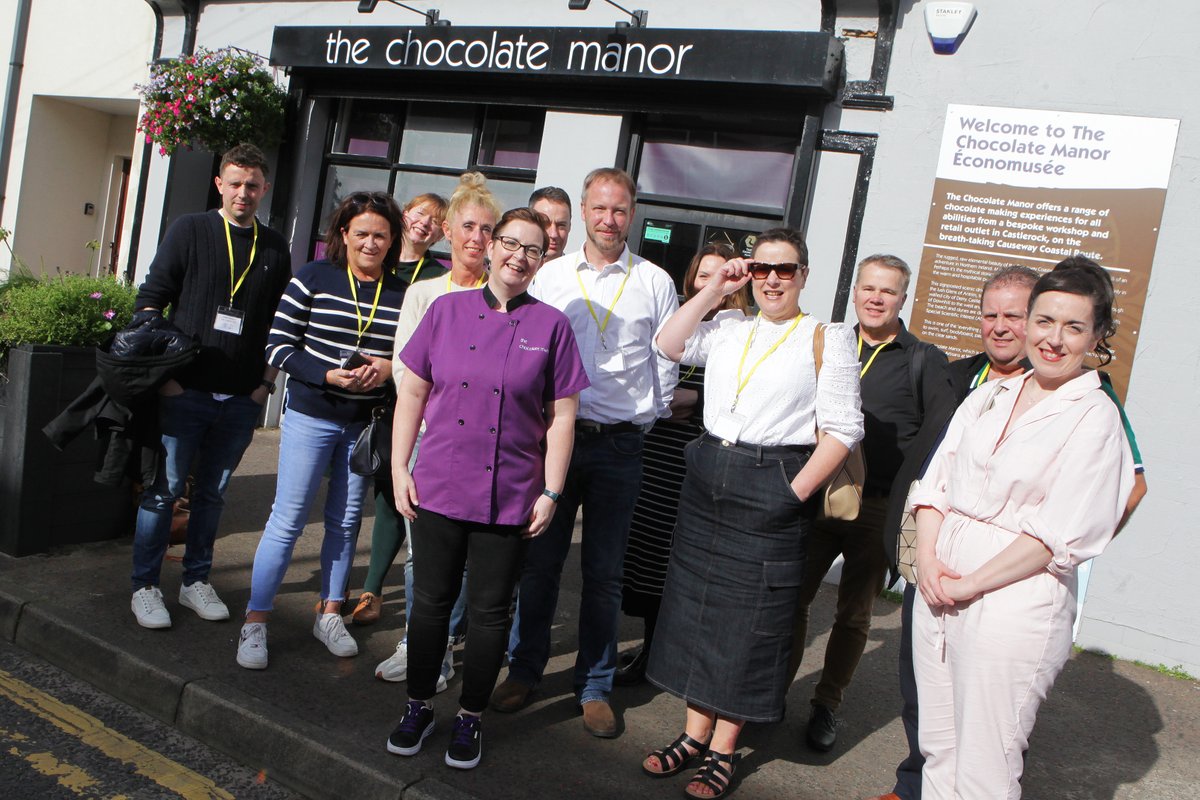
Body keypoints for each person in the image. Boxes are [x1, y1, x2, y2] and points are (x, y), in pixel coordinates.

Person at [867, 263, 1148, 800]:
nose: (1053, 339)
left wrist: (969, 584)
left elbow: (1055, 535)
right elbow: (934, 486)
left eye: (1073, 327)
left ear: (1096, 336)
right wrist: (927, 563)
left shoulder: (1095, 415)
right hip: (937, 587)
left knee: (985, 767)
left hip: (1011, 601)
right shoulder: (990, 395)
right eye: (1045, 321)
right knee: (939, 748)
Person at [644, 228, 863, 799]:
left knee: (748, 626)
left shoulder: (827, 337)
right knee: (696, 613)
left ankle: (723, 748)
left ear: (804, 275)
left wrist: (792, 494)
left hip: (773, 481)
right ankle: (693, 735)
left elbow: (842, 430)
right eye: (761, 268)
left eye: (784, 269)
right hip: (708, 476)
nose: (770, 279)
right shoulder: (728, 326)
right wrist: (716, 285)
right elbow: (668, 344)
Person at [384, 207, 590, 770]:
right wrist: (400, 467)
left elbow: (562, 418)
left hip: (511, 492)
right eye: (510, 243)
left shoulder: (552, 326)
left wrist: (551, 492)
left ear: (543, 260)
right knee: (428, 607)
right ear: (490, 245)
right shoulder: (446, 310)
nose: (519, 257)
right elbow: (412, 395)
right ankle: (419, 705)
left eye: (533, 249)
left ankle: (471, 716)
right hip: (439, 483)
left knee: (490, 613)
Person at [491, 167, 680, 739]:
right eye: (599, 208)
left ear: (632, 212)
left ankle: (594, 685)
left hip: (621, 445)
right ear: (585, 211)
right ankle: (525, 670)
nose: (608, 220)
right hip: (554, 440)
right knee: (540, 563)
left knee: (603, 573)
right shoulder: (549, 276)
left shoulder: (655, 281)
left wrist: (650, 412)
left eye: (619, 210)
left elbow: (665, 359)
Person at [790, 254, 957, 753]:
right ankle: (771, 688)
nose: (876, 298)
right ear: (855, 292)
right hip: (819, 496)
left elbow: (939, 436)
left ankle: (826, 703)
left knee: (854, 613)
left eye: (888, 291)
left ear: (902, 299)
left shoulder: (923, 359)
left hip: (878, 505)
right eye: (868, 288)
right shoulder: (830, 343)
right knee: (791, 599)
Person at [235, 191, 405, 669]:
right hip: (312, 414)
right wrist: (325, 374)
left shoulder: (400, 293)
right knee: (287, 520)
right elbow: (277, 346)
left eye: (381, 235)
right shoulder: (312, 277)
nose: (371, 243)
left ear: (393, 241)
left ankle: (331, 612)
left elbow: (413, 356)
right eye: (363, 233)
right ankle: (255, 621)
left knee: (346, 521)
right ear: (344, 235)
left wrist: (387, 367)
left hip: (361, 425)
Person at [129, 143, 291, 629]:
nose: (244, 193)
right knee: (166, 490)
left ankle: (195, 580)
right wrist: (169, 378)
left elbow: (279, 321)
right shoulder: (191, 230)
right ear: (220, 184)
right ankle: (145, 586)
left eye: (253, 185)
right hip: (187, 391)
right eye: (235, 183)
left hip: (241, 398)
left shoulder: (274, 245)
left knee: (213, 496)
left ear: (265, 189)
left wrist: (265, 386)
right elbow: (149, 304)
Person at [371, 172, 502, 689]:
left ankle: (445, 645)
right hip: (431, 440)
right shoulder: (425, 294)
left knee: (470, 560)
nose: (477, 238)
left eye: (488, 228)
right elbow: (406, 373)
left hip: (484, 447)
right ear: (448, 231)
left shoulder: (505, 298)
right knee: (423, 555)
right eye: (468, 226)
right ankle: (420, 645)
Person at [615, 243, 750, 686]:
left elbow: (747, 393)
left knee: (675, 561)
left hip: (693, 458)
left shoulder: (740, 328)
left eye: (721, 275)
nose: (712, 283)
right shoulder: (679, 318)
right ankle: (651, 647)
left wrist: (699, 398)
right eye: (702, 274)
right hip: (655, 452)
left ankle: (660, 654)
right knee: (647, 552)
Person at [349, 191, 448, 627]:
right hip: (355, 392)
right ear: (404, 214)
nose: (424, 224)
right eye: (420, 214)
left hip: (403, 397)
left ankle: (371, 589)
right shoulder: (378, 259)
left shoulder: (436, 276)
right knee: (348, 499)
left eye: (435, 221)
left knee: (392, 495)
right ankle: (337, 590)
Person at [529, 186, 572, 261]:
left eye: (561, 226)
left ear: (569, 227)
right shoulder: (512, 269)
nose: (553, 234)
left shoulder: (575, 272)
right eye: (545, 224)